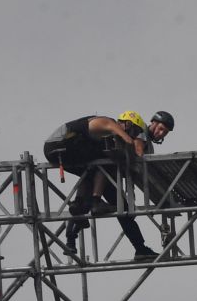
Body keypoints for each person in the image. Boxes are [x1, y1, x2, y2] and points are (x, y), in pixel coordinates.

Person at [42, 110, 174, 261]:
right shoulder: (126, 126)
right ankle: (94, 204)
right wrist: (133, 141)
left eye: (166, 132)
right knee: (101, 164)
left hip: (97, 169)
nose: (162, 133)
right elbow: (136, 152)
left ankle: (139, 248)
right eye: (161, 128)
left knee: (114, 204)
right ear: (152, 123)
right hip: (64, 147)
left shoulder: (138, 137)